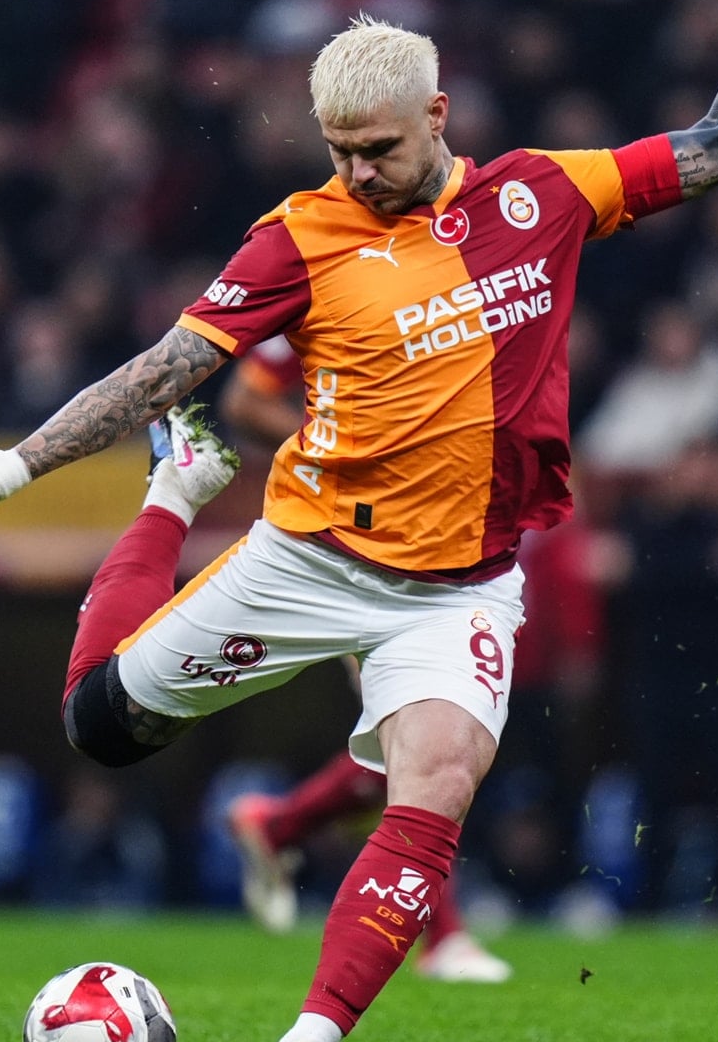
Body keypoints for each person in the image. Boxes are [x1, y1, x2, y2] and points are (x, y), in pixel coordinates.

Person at [0, 0, 718, 1042]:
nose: (357, 171)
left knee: (434, 783)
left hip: (459, 588)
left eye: (380, 148)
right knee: (98, 726)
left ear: (437, 115)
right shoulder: (299, 234)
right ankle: (174, 496)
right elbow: (164, 370)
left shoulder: (544, 193)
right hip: (308, 556)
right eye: (338, 151)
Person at [218, 335, 513, 982]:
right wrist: (355, 456)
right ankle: (444, 935)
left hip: (444, 540)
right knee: (422, 733)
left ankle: (278, 824)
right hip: (348, 550)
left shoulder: (459, 299)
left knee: (425, 738)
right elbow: (244, 400)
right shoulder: (337, 294)